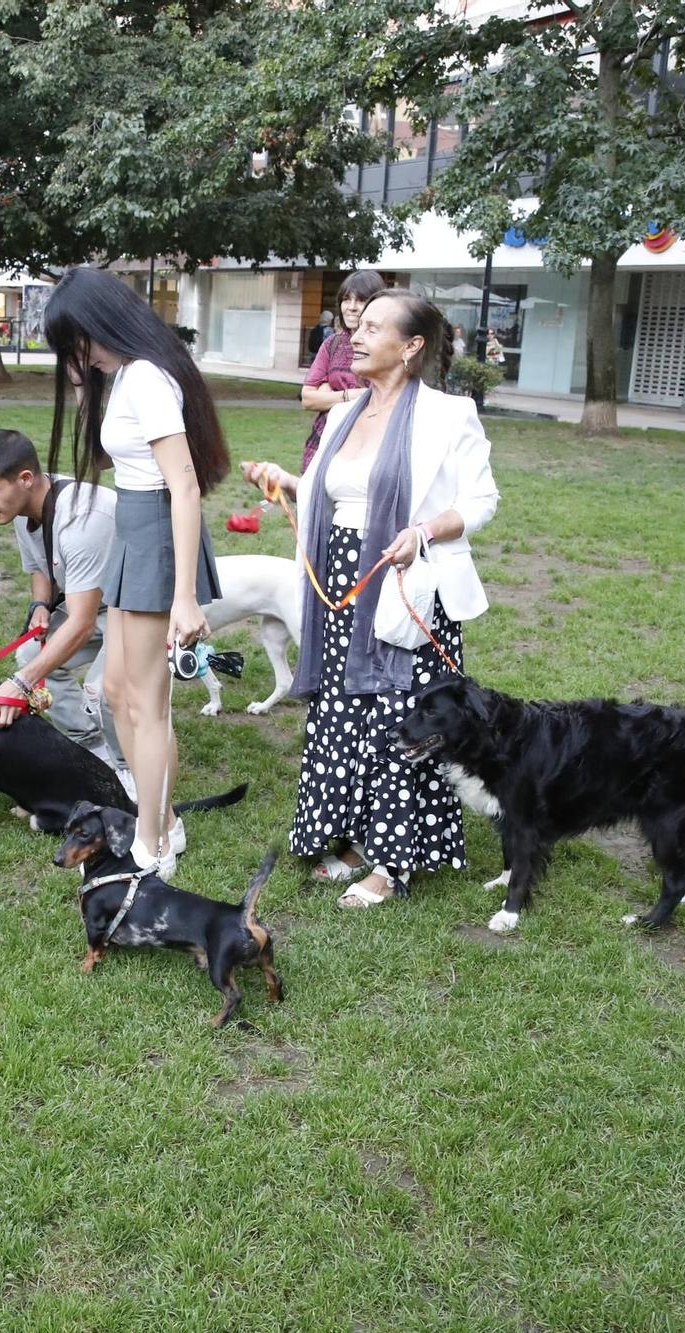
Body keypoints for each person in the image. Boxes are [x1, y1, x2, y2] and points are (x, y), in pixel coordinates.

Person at [241, 288, 500, 908]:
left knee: (397, 717)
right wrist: (287, 482)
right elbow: (334, 498)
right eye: (357, 323)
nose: (355, 333)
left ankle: (394, 859)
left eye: (375, 327)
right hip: (337, 581)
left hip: (405, 581)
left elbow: (483, 500)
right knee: (341, 710)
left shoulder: (448, 414)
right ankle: (354, 837)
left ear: (411, 347)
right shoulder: (342, 413)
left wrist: (424, 532)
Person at [43, 265, 228, 874]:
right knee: (117, 691)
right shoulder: (120, 376)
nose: (78, 356)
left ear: (101, 325)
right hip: (133, 528)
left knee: (148, 705)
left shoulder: (146, 377)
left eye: (78, 342)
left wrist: (183, 597)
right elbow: (114, 452)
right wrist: (80, 380)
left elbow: (184, 483)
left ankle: (151, 844)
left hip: (155, 535)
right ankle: (164, 823)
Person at [0, 428, 125, 777]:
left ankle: (128, 772)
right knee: (31, 654)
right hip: (94, 603)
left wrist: (21, 684)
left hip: (137, 608)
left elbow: (80, 625)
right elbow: (41, 567)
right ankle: (92, 745)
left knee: (103, 692)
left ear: (25, 478)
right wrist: (39, 605)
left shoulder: (81, 521)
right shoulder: (24, 508)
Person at [300, 270, 388, 468]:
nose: (352, 307)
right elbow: (307, 398)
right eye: (347, 300)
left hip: (366, 443)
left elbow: (383, 398)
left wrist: (328, 394)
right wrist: (350, 395)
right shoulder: (333, 344)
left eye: (361, 301)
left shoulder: (386, 346)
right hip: (324, 439)